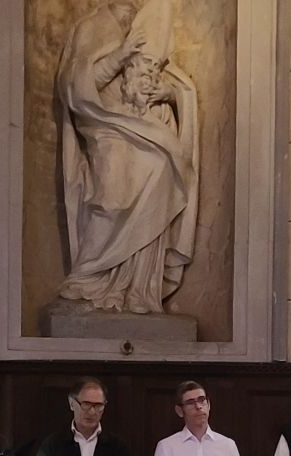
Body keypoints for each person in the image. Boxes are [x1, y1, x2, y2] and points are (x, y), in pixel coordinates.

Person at [57, 0, 199, 313]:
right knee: (112, 197)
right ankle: (88, 276)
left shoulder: (151, 22)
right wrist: (119, 55)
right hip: (106, 126)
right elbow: (75, 88)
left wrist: (169, 94)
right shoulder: (91, 26)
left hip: (149, 129)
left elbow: (173, 81)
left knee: (162, 169)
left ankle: (139, 289)